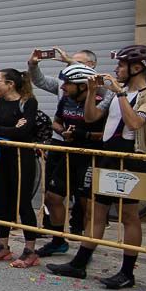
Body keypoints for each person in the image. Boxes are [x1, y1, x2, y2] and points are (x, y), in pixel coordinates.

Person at [48, 46, 146, 288]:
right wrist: (91, 92)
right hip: (107, 155)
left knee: (129, 216)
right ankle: (79, 264)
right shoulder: (115, 92)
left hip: (132, 158)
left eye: (121, 65)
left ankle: (127, 272)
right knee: (98, 211)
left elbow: (135, 123)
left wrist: (120, 93)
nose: (116, 70)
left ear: (137, 68)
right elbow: (90, 118)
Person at [32, 62, 103, 257]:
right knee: (53, 197)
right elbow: (56, 122)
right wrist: (63, 132)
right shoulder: (66, 100)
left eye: (67, 84)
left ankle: (85, 251)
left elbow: (106, 132)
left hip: (91, 157)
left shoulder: (100, 100)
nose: (62, 87)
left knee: (87, 205)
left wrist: (82, 134)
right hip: (68, 153)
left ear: (81, 85)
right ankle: (58, 241)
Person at [0, 69, 41, 268]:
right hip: (2, 159)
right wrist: (9, 130)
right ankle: (3, 246)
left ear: (11, 84)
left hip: (23, 159)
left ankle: (30, 250)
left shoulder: (28, 102)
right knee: (3, 202)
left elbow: (25, 131)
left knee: (23, 203)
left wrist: (1, 130)